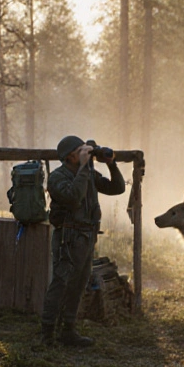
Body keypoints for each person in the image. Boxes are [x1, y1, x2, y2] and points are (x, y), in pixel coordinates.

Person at [41, 135, 126, 346]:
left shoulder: (87, 173)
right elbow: (73, 197)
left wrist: (111, 164)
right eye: (80, 151)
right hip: (67, 238)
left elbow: (117, 188)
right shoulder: (57, 177)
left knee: (79, 284)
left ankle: (68, 331)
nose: (85, 154)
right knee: (61, 283)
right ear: (69, 157)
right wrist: (85, 168)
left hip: (87, 236)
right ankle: (47, 333)